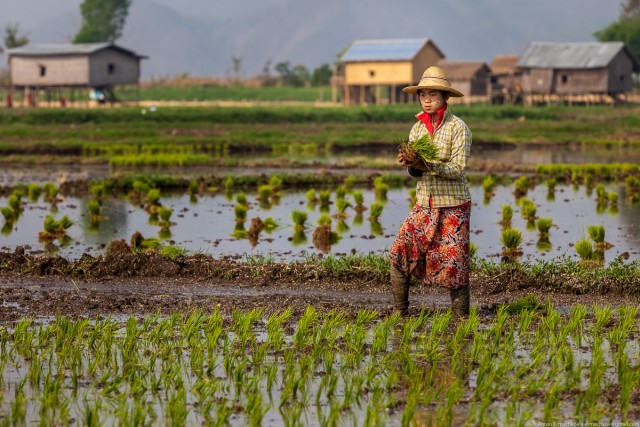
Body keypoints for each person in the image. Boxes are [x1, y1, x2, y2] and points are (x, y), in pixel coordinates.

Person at [389, 66, 472, 317]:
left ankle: (461, 317)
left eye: (433, 94)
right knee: (399, 253)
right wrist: (411, 164)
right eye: (423, 94)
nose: (427, 99)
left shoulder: (459, 128)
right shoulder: (417, 129)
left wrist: (428, 164)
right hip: (425, 203)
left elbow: (458, 168)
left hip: (453, 205)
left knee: (455, 263)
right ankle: (400, 311)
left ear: (445, 97)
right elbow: (415, 173)